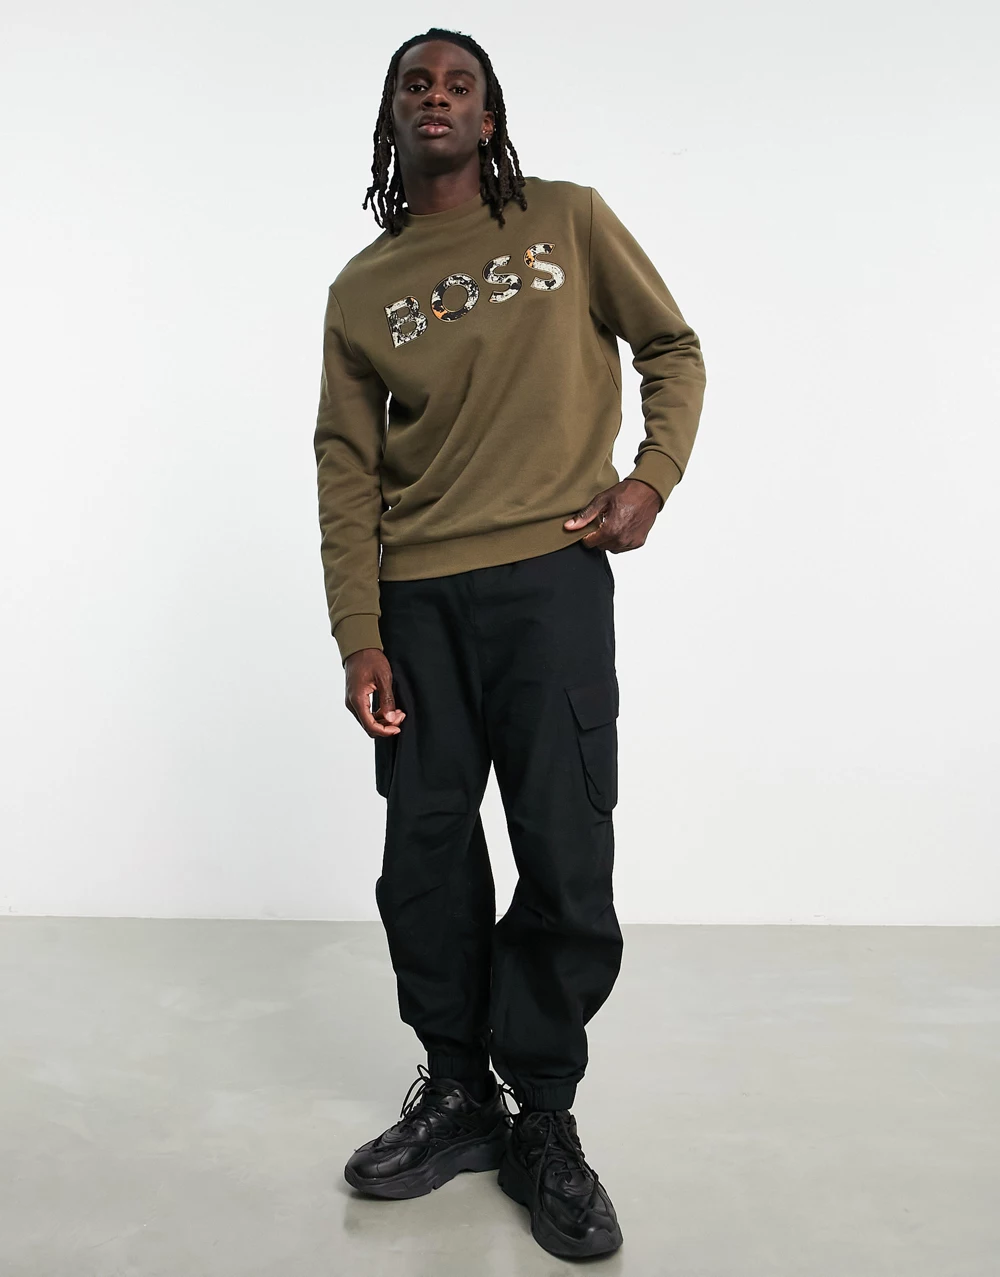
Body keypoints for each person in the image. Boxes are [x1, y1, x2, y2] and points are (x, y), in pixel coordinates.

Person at [313, 26, 706, 1262]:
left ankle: (542, 1114)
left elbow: (671, 346)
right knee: (424, 856)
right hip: (416, 600)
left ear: (488, 116)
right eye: (413, 84)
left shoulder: (566, 220)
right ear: (392, 118)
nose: (435, 97)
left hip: (550, 582)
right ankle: (456, 1091)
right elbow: (345, 463)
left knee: (563, 849)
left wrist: (649, 479)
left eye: (458, 84)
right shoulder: (361, 288)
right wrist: (358, 631)